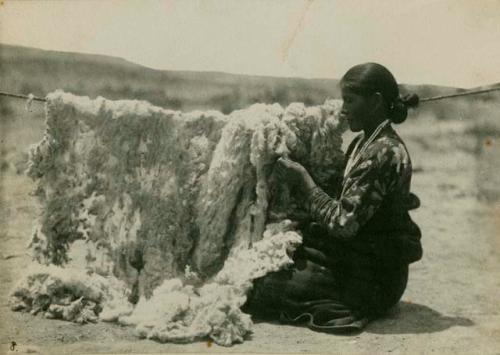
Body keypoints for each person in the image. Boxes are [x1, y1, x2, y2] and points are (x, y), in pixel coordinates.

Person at [243, 63, 423, 332]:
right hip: (359, 259)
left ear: (375, 102)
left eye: (350, 100)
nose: (343, 109)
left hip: (376, 274)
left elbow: (343, 223)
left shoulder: (384, 153)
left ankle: (355, 303)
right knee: (267, 264)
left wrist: (303, 180)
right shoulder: (363, 143)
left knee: (264, 284)